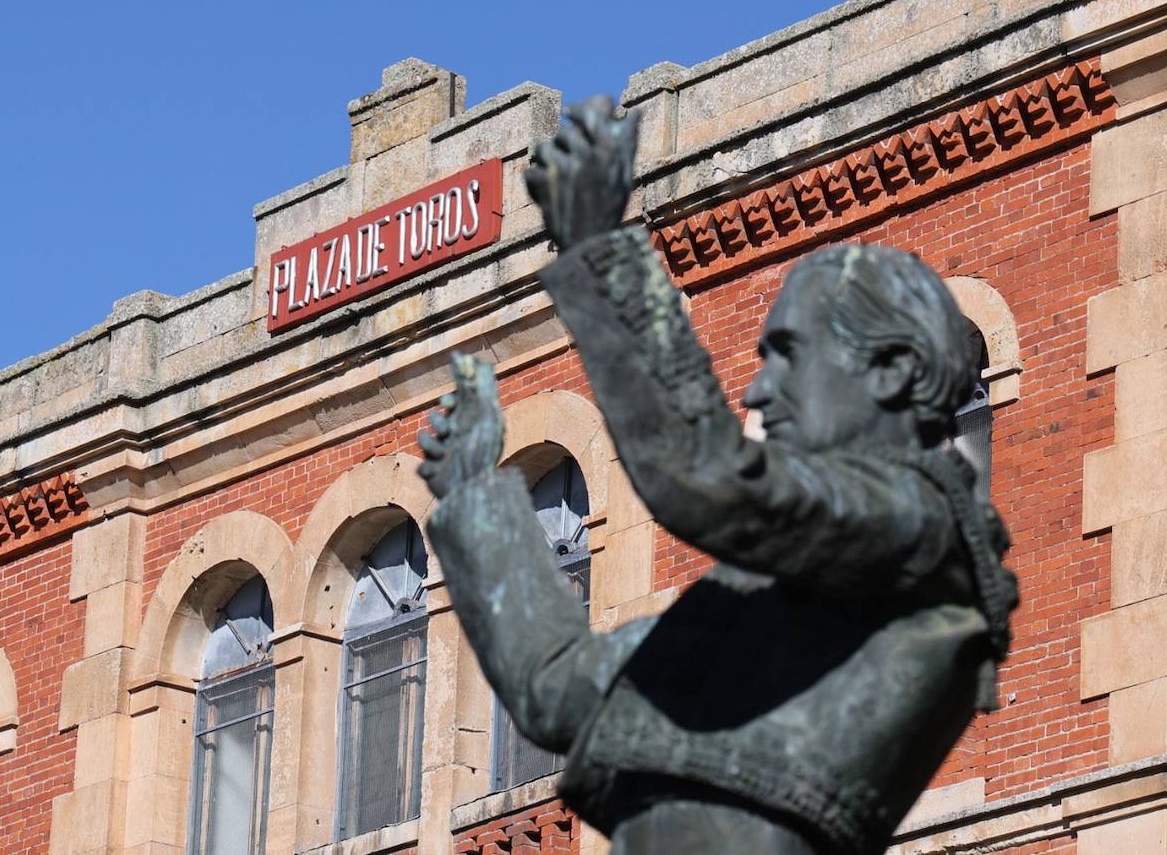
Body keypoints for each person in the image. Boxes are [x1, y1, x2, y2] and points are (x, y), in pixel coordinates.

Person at [418, 97, 1016, 854]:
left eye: (789, 354)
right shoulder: (759, 602)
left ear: (893, 369)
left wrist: (603, 252)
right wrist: (478, 498)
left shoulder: (923, 528)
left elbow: (705, 479)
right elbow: (557, 691)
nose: (759, 392)